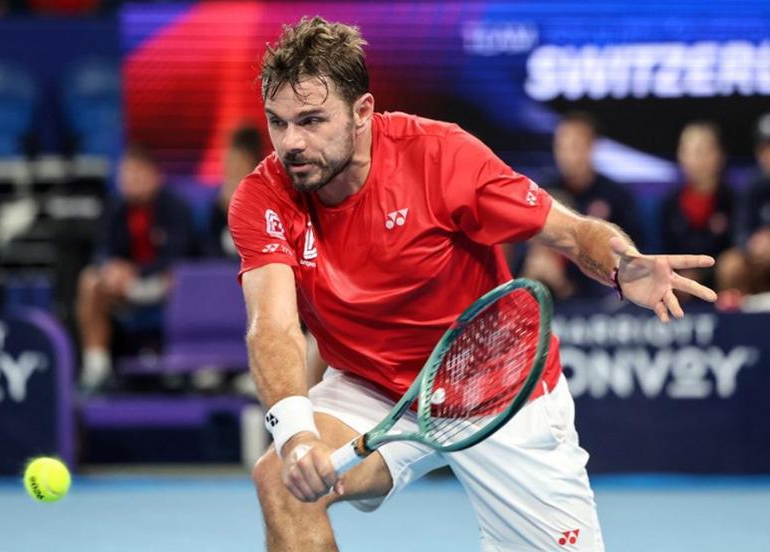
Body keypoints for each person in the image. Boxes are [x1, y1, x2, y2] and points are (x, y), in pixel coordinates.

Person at [228, 17, 717, 551]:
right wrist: (297, 436)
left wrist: (622, 264)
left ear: (363, 112)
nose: (291, 144)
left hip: (497, 389)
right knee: (280, 478)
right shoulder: (264, 196)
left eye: (311, 121)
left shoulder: (441, 156)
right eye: (278, 123)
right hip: (373, 388)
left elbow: (572, 233)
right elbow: (270, 325)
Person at [76, 144, 198, 392]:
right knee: (89, 280)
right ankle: (96, 366)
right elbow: (101, 250)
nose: (130, 181)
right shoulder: (115, 209)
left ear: (154, 176)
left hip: (165, 285)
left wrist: (137, 272)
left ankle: (190, 370)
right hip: (126, 288)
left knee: (177, 277)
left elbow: (180, 254)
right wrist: (111, 268)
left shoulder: (176, 207)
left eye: (137, 174)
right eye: (126, 175)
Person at [523, 112, 645, 300]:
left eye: (575, 146)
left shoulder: (616, 196)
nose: (568, 155)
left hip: (602, 297)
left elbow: (636, 254)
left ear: (592, 147)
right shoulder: (542, 193)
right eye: (561, 146)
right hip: (549, 294)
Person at [660, 121, 735, 294]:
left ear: (719, 155)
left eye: (701, 151)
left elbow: (737, 248)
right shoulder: (670, 203)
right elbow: (662, 250)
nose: (695, 160)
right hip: (679, 279)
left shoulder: (732, 199)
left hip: (718, 277)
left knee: (732, 266)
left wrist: (701, 276)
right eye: (688, 151)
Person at [716, 113, 770, 297]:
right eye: (765, 149)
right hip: (758, 259)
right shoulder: (751, 186)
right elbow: (740, 231)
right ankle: (737, 322)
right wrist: (752, 245)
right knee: (730, 265)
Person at [206, 125, 265, 259]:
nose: (232, 171)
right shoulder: (218, 204)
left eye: (239, 166)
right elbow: (209, 248)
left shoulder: (267, 201)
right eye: (229, 165)